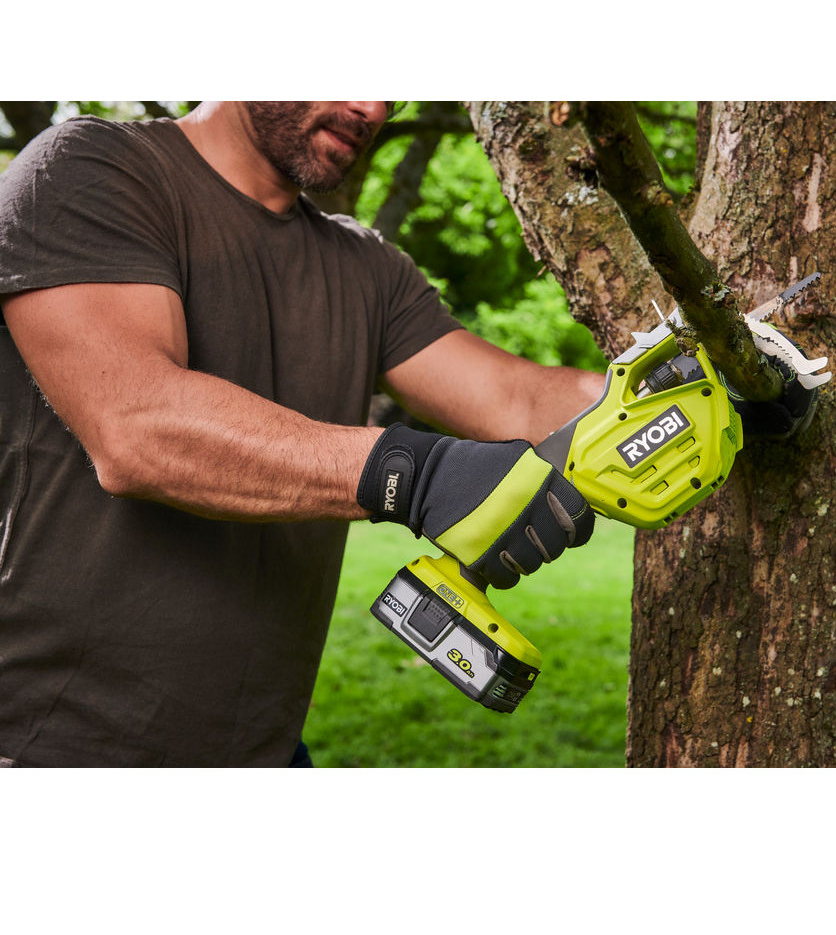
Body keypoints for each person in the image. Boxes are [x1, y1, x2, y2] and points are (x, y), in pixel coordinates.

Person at [0, 101, 604, 767]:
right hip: (45, 747)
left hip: (265, 753)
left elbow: (517, 398)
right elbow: (137, 424)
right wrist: (412, 473)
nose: (372, 107)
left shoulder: (365, 266)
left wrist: (669, 387)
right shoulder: (91, 170)